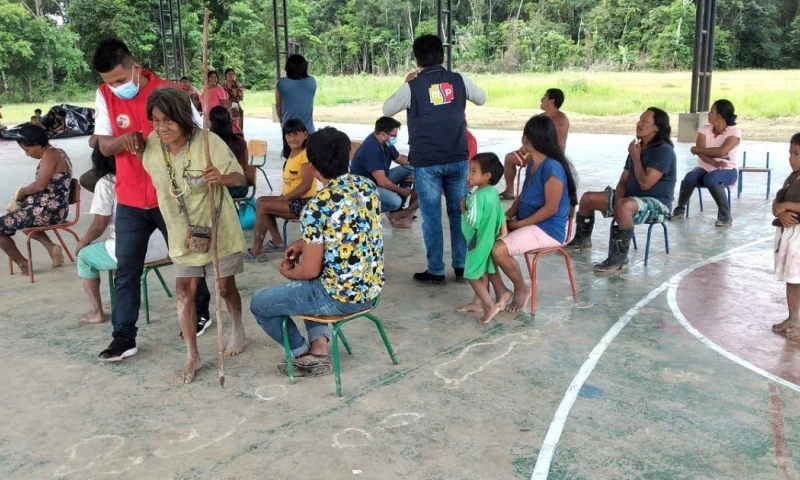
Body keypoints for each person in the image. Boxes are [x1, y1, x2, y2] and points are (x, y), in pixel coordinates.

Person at [91, 37, 211, 362]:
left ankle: (201, 310)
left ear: (134, 67)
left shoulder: (168, 92)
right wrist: (122, 142)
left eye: (119, 80)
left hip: (169, 195)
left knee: (187, 257)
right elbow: (103, 145)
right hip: (130, 197)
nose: (115, 88)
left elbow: (199, 135)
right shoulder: (104, 95)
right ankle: (123, 336)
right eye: (108, 83)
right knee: (126, 270)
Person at [250, 127, 383, 377]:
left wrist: (289, 272)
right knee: (311, 283)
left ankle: (301, 353)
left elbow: (309, 270)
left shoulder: (316, 207)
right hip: (371, 288)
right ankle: (319, 347)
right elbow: (345, 229)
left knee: (261, 303)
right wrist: (303, 242)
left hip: (339, 298)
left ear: (311, 167)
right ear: (348, 157)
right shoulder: (366, 186)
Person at [138, 86, 247, 384]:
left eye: (168, 121)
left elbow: (241, 178)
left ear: (184, 118)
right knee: (184, 292)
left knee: (224, 288)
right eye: (155, 121)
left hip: (217, 228)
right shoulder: (150, 143)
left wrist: (221, 178)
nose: (161, 128)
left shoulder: (208, 143)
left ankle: (237, 324)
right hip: (180, 231)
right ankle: (192, 355)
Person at [383, 34, 487, 286]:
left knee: (431, 216)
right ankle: (462, 267)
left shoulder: (413, 86)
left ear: (417, 60)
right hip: (457, 157)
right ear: (442, 55)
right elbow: (482, 98)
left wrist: (405, 82)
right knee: (459, 213)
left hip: (427, 161)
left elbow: (387, 110)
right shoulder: (459, 80)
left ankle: (436, 270)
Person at [566, 108, 677, 273]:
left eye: (645, 122)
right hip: (631, 200)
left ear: (657, 128)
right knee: (588, 199)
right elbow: (624, 180)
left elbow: (646, 183)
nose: (639, 124)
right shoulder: (638, 147)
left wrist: (636, 157)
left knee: (625, 206)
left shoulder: (663, 151)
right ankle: (582, 241)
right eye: (639, 120)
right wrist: (618, 200)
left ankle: (619, 259)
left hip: (657, 204)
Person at [75, 146, 173, 326]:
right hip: (164, 248)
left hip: (130, 252)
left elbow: (99, 224)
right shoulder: (150, 175)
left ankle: (98, 312)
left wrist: (83, 242)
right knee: (119, 249)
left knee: (84, 257)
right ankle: (124, 297)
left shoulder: (106, 182)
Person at [489, 115, 578, 312]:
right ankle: (501, 290)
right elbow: (524, 195)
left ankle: (521, 287)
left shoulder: (552, 167)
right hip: (529, 223)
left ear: (529, 139)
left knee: (498, 250)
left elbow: (551, 209)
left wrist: (519, 225)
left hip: (547, 229)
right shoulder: (532, 163)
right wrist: (509, 215)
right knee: (484, 243)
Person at [2, 124, 71, 275]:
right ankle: (52, 248)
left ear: (38, 145)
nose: (27, 154)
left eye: (27, 150)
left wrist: (23, 192)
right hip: (56, 208)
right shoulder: (58, 152)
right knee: (20, 218)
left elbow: (40, 185)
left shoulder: (50, 155)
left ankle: (23, 263)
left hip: (49, 212)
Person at [246, 119, 316, 260]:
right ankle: (277, 242)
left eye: (296, 134)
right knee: (262, 202)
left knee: (263, 205)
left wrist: (285, 197)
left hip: (304, 203)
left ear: (305, 135)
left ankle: (256, 250)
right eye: (288, 135)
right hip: (293, 200)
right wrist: (284, 197)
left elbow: (306, 185)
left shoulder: (305, 155)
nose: (292, 139)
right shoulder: (291, 154)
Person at [670, 99, 741, 227]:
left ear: (720, 116)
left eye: (711, 112)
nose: (708, 114)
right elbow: (701, 154)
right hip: (705, 166)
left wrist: (697, 149)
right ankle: (680, 208)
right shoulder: (704, 129)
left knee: (711, 179)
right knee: (689, 178)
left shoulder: (734, 132)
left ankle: (725, 216)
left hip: (727, 171)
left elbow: (722, 151)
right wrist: (713, 162)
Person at [459, 153, 507, 323]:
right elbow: (501, 213)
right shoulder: (492, 192)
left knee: (471, 273)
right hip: (488, 239)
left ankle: (489, 306)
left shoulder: (478, 197)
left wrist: (463, 208)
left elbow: (474, 221)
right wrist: (503, 230)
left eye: (473, 171)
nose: (469, 175)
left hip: (477, 241)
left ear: (486, 176)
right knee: (483, 272)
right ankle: (477, 303)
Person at [499, 89, 569, 200]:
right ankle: (509, 191)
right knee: (510, 158)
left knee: (533, 164)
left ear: (551, 101)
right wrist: (526, 147)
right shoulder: (541, 117)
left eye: (545, 97)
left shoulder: (560, 120)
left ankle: (531, 194)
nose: (542, 99)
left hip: (548, 156)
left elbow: (559, 146)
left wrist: (535, 153)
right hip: (532, 151)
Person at [349, 116, 417, 228]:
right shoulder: (371, 148)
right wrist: (401, 190)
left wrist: (419, 162)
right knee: (395, 201)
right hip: (364, 187)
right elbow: (382, 182)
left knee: (411, 168)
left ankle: (398, 210)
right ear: (383, 134)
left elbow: (400, 158)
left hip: (377, 179)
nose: (395, 138)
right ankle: (362, 210)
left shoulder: (385, 143)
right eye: (394, 136)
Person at [772, 133, 800, 340]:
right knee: (793, 280)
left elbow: (785, 203)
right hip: (791, 236)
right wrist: (781, 212)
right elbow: (776, 204)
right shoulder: (791, 179)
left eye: (797, 154)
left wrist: (788, 206)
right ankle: (793, 317)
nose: (792, 158)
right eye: (790, 153)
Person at [209, 106, 249, 198]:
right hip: (240, 188)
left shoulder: (209, 144)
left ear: (211, 122)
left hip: (220, 189)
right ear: (229, 121)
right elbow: (245, 167)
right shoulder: (240, 141)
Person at [275, 54, 316, 133]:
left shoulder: (281, 83)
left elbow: (278, 106)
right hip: (308, 131)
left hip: (289, 132)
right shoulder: (312, 82)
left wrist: (282, 122)